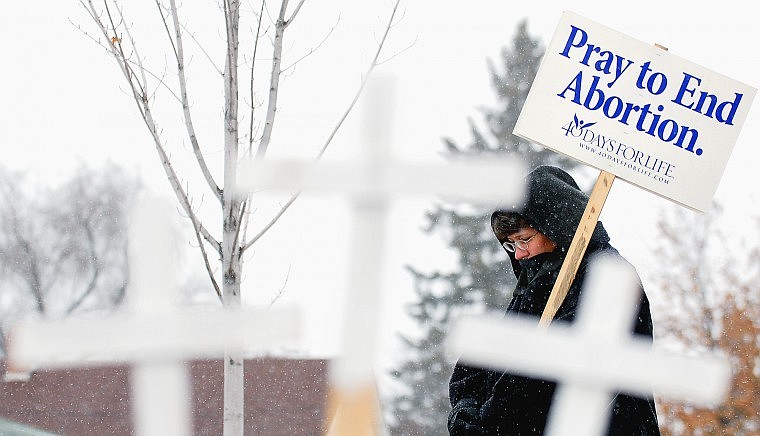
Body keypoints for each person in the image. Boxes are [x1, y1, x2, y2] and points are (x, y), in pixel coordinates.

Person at [447, 165, 660, 435]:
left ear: (556, 225)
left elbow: (554, 377)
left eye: (524, 239)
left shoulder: (611, 277)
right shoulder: (538, 282)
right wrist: (466, 406)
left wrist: (493, 422)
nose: (519, 255)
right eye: (511, 245)